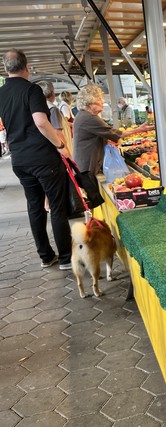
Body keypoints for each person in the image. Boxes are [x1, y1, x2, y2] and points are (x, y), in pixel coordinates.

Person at [0, 49, 72, 270]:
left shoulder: (1, 93)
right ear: (27, 67)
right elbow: (41, 121)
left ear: (5, 68)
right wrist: (60, 145)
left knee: (34, 206)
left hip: (19, 160)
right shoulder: (32, 90)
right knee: (57, 206)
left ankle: (45, 256)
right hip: (43, 158)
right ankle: (66, 259)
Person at [74, 86, 152, 177]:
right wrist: (140, 129)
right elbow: (115, 133)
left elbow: (99, 134)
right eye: (99, 100)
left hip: (83, 165)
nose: (102, 104)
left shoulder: (83, 115)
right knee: (93, 190)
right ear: (90, 103)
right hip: (86, 168)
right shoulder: (89, 118)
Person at [38, 81, 73, 154]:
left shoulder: (39, 109)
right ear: (52, 93)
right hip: (58, 148)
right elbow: (58, 133)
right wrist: (66, 151)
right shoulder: (53, 109)